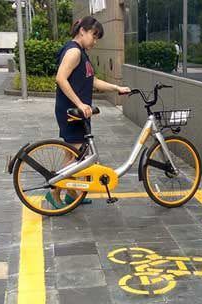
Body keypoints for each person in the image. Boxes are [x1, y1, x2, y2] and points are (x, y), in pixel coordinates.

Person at [49, 16, 131, 208]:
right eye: (94, 36)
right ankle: (53, 192)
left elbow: (91, 80)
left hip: (75, 112)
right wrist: (80, 104)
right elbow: (61, 79)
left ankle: (72, 194)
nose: (95, 41)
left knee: (72, 155)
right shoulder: (74, 52)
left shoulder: (81, 52)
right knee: (76, 157)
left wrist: (115, 88)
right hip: (72, 112)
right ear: (82, 31)